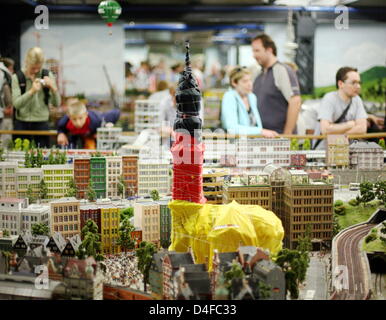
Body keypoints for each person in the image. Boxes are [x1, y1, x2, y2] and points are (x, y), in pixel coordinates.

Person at [252, 34, 302, 134]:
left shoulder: (281, 70)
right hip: (263, 136)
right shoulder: (258, 75)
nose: (254, 55)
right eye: (253, 51)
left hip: (279, 137)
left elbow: (295, 101)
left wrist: (287, 134)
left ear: (269, 50)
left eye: (257, 51)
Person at [12, 47, 61, 147]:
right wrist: (31, 92)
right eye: (33, 68)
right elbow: (16, 104)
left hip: (41, 123)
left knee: (43, 155)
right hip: (22, 123)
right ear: (26, 62)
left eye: (38, 68)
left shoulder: (47, 75)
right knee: (19, 154)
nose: (36, 71)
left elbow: (57, 103)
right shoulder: (17, 77)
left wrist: (53, 88)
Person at [313, 67, 368, 149]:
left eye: (359, 83)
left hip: (346, 152)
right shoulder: (329, 99)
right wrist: (349, 125)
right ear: (340, 84)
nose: (358, 86)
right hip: (324, 153)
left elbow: (362, 128)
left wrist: (335, 131)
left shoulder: (357, 99)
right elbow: (325, 129)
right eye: (353, 83)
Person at [221, 66, 279, 137]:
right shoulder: (229, 97)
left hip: (252, 142)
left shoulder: (252, 97)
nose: (250, 84)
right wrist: (260, 131)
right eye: (245, 81)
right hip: (236, 143)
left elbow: (256, 123)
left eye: (250, 80)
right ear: (234, 83)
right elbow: (232, 128)